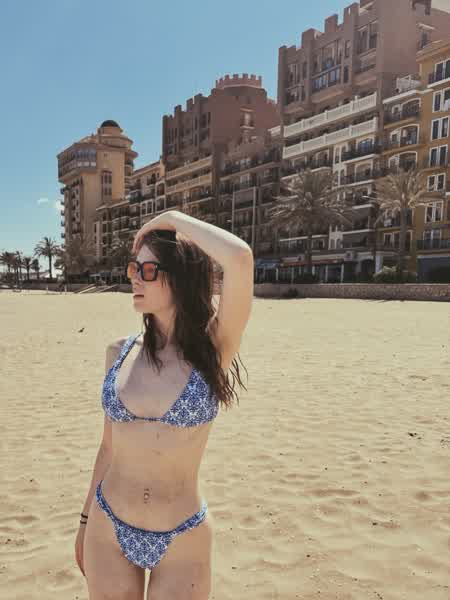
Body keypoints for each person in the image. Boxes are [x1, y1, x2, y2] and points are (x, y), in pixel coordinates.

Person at [76, 209, 254, 599]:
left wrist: (172, 219)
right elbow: (108, 447)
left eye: (148, 270)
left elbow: (239, 258)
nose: (135, 279)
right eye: (133, 269)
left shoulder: (213, 349)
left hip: (182, 537)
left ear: (180, 277)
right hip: (108, 526)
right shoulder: (119, 352)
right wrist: (85, 521)